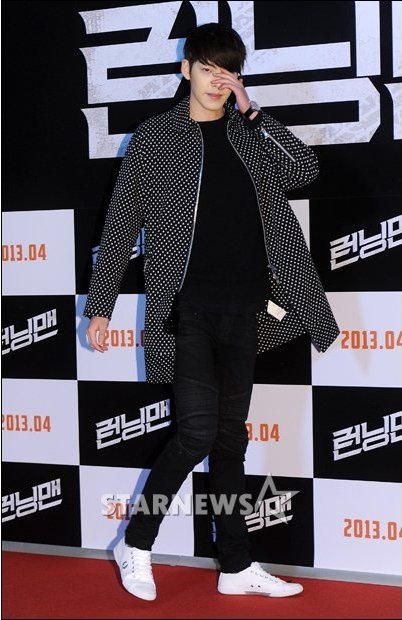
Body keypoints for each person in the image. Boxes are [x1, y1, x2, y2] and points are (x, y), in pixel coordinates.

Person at [84, 22, 339, 601]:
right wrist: (101, 306)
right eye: (208, 69)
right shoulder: (156, 137)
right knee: (197, 431)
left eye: (229, 73)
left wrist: (254, 112)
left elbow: (304, 171)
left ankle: (236, 566)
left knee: (229, 442)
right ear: (186, 70)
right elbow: (121, 223)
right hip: (187, 311)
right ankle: (136, 542)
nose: (218, 81)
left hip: (248, 309)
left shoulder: (249, 132)